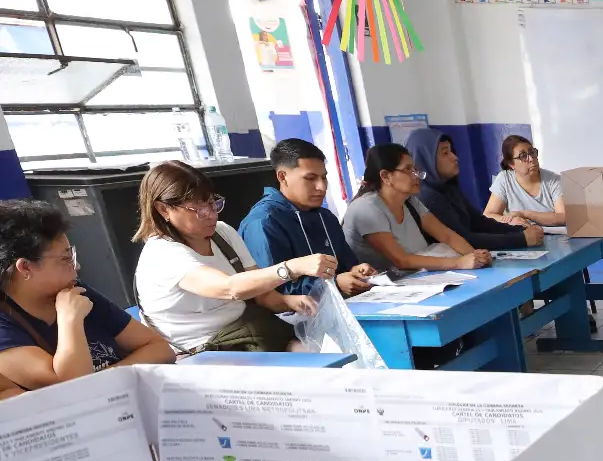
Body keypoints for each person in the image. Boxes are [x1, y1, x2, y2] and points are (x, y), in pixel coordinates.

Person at [133, 160, 319, 352]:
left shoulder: (222, 233)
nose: (212, 215)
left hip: (247, 331)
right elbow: (229, 288)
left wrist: (288, 301)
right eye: (198, 210)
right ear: (164, 209)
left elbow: (261, 293)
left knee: (318, 351)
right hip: (202, 349)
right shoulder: (162, 254)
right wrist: (290, 268)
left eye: (213, 204)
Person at [0, 199, 173, 393]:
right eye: (65, 259)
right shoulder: (6, 323)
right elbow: (73, 387)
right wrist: (70, 320)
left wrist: (107, 377)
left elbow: (160, 348)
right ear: (25, 267)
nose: (77, 267)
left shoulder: (74, 290)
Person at [237, 137, 375, 300]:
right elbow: (273, 292)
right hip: (293, 319)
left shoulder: (325, 217)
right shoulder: (264, 222)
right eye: (310, 178)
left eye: (324, 177)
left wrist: (357, 272)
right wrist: (335, 284)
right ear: (282, 177)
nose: (321, 187)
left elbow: (346, 264)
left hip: (340, 307)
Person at [342, 143, 492, 274]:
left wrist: (475, 256)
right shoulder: (367, 208)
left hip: (415, 279)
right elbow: (402, 260)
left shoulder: (410, 201)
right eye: (408, 170)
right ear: (386, 176)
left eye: (416, 169)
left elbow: (446, 235)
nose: (417, 176)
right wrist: (460, 263)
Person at [405, 128, 540, 253]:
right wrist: (521, 239)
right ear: (425, 159)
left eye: (452, 151)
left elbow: (478, 222)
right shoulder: (427, 198)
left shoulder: (449, 189)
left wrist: (521, 230)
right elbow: (464, 239)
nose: (455, 157)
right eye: (445, 153)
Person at [485, 135, 566, 227]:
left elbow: (563, 217)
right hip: (521, 236)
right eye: (523, 156)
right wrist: (510, 221)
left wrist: (525, 214)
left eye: (532, 152)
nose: (531, 159)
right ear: (512, 165)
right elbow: (488, 215)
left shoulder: (553, 180)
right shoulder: (504, 179)